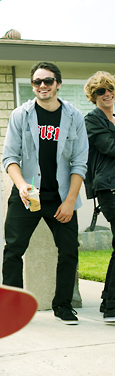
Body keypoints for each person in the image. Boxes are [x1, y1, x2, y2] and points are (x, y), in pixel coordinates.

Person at [2, 61, 88, 325]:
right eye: (37, 82)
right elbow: (10, 157)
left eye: (48, 81)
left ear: (58, 84)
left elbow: (79, 163)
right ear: (33, 86)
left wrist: (70, 201)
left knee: (69, 250)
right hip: (27, 194)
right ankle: (12, 307)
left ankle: (62, 305)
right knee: (14, 250)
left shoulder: (74, 117)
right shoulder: (21, 115)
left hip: (60, 196)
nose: (42, 86)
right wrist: (21, 186)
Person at [83, 71, 115, 323]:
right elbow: (109, 147)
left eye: (110, 89)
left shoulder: (114, 119)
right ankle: (111, 306)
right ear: (93, 97)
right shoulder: (92, 120)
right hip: (109, 188)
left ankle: (110, 303)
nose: (107, 94)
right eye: (100, 91)